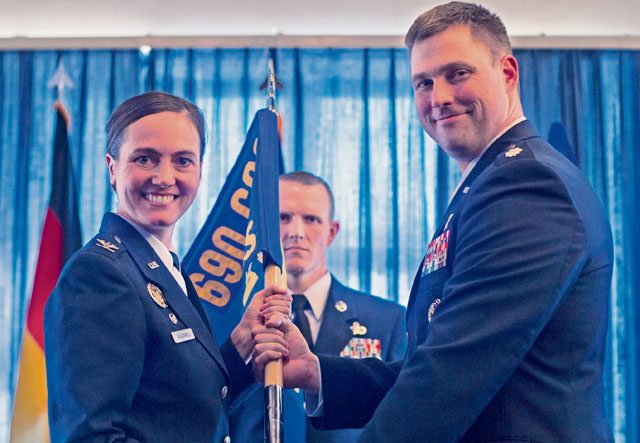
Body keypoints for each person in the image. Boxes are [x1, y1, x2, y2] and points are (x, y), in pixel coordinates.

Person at [252, 2, 614, 441]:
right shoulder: (488, 180)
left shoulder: (527, 182)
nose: (439, 97)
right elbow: (434, 362)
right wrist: (318, 373)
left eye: (458, 73)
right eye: (423, 82)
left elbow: (452, 373)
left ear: (508, 73)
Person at [44, 91, 290, 442]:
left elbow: (177, 413)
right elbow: (90, 436)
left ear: (201, 171)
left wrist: (239, 348)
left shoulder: (166, 269)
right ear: (113, 168)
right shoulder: (100, 274)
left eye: (183, 161)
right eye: (145, 159)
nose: (164, 176)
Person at [231, 171, 407, 442]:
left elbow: (404, 413)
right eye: (283, 218)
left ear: (332, 231)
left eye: (311, 219)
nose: (295, 233)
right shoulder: (235, 324)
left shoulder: (389, 321)